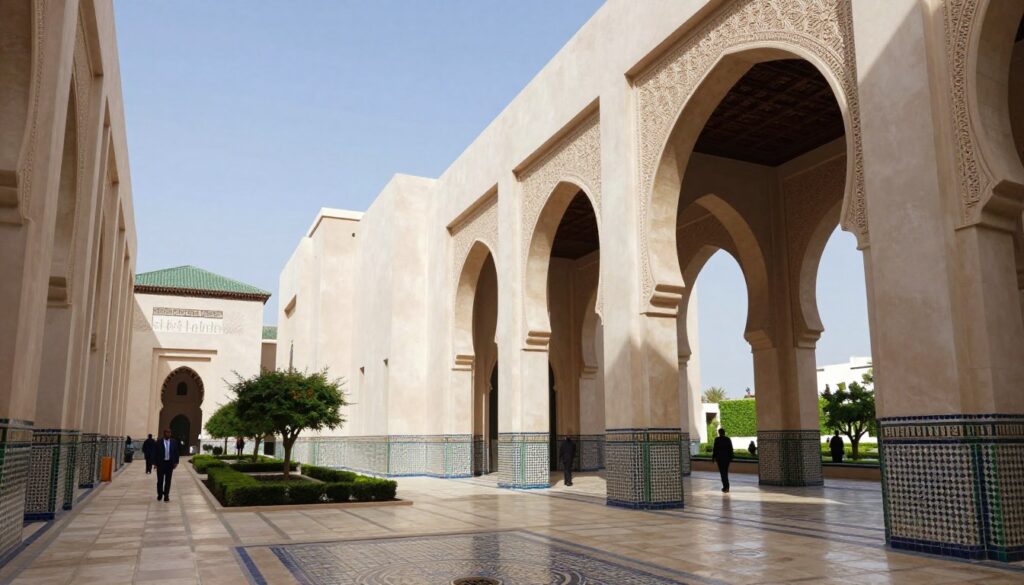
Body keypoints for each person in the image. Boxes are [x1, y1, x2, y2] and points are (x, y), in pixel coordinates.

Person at [154, 429, 180, 502]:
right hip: (161, 464)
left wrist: (176, 462)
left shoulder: (173, 442)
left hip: (169, 463)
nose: (168, 434)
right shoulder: (159, 442)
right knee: (160, 480)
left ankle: (166, 495)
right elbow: (155, 453)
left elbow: (176, 452)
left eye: (169, 432)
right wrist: (155, 463)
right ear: (164, 433)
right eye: (167, 432)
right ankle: (160, 494)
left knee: (168, 480)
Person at [711, 428, 734, 493]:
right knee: (725, 473)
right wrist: (731, 458)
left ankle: (725, 487)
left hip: (720, 459)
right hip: (726, 459)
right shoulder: (727, 439)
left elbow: (715, 449)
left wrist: (713, 458)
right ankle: (726, 487)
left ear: (719, 433)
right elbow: (731, 449)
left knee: (723, 473)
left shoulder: (717, 439)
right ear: (724, 432)